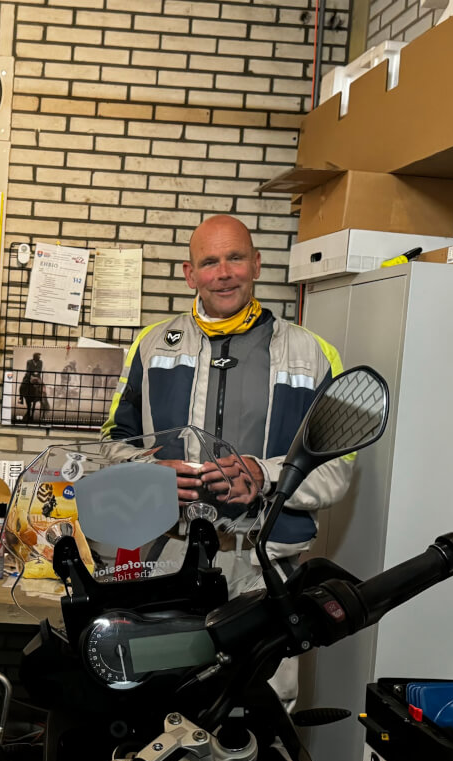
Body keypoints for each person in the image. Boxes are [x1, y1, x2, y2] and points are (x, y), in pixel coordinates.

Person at [101, 215, 351, 709]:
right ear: (189, 274)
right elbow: (111, 444)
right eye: (209, 262)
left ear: (257, 264)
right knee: (165, 705)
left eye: (235, 257)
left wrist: (267, 474)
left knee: (261, 716)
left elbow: (338, 467)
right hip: (168, 564)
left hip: (265, 570)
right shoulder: (149, 347)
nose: (224, 272)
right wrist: (146, 475)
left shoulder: (314, 353)